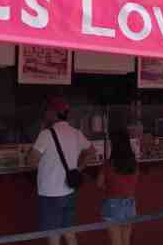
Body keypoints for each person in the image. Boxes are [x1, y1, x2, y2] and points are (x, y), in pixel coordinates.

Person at [26, 97, 96, 245]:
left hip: (50, 193)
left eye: (47, 111)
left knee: (54, 237)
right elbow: (91, 151)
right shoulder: (75, 132)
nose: (45, 114)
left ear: (53, 113)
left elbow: (31, 162)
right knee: (70, 233)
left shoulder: (45, 134)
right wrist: (78, 169)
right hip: (69, 191)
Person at [97, 126, 138, 245]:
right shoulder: (133, 163)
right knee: (126, 241)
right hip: (130, 204)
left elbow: (99, 184)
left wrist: (110, 188)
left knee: (116, 242)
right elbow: (133, 183)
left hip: (112, 205)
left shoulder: (108, 164)